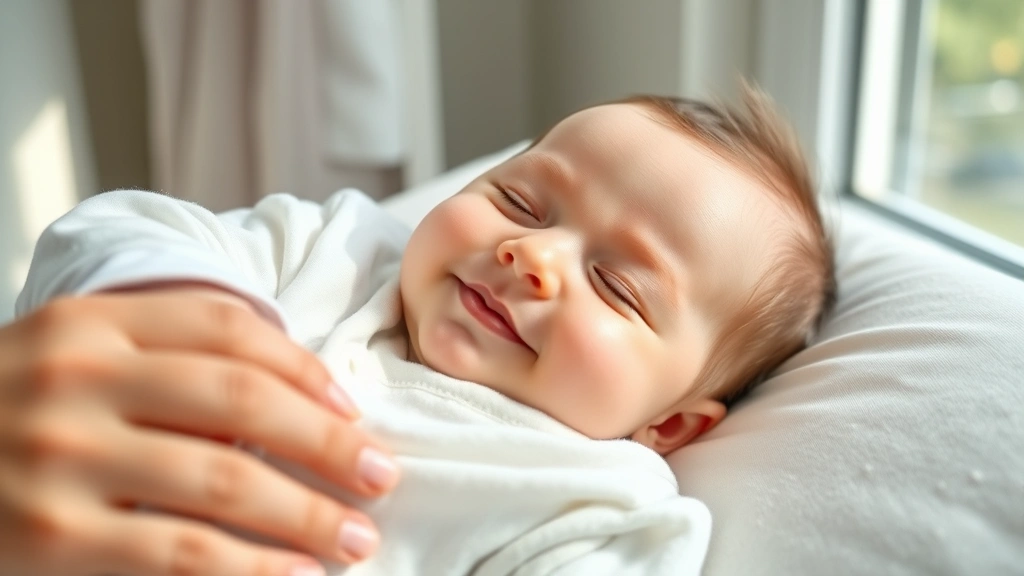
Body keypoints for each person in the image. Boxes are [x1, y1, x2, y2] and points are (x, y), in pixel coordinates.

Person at [6, 85, 835, 575]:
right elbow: (114, 227)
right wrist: (175, 300)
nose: (532, 255)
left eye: (617, 287)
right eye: (519, 202)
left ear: (671, 425)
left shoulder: (594, 503)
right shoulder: (338, 253)